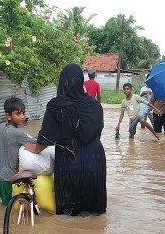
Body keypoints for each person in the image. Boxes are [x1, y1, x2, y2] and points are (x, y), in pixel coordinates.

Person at [25, 63, 107, 216]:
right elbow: (97, 132)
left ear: (62, 82)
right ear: (81, 81)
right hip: (95, 160)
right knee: (95, 215)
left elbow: (47, 136)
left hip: (69, 162)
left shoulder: (56, 105)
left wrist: (34, 148)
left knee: (67, 215)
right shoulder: (95, 106)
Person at [0, 96, 36, 208]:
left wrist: (3, 141)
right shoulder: (19, 134)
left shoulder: (0, 127)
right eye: (18, 114)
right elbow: (39, 143)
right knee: (8, 208)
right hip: (7, 178)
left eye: (23, 113)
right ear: (8, 116)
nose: (22, 117)